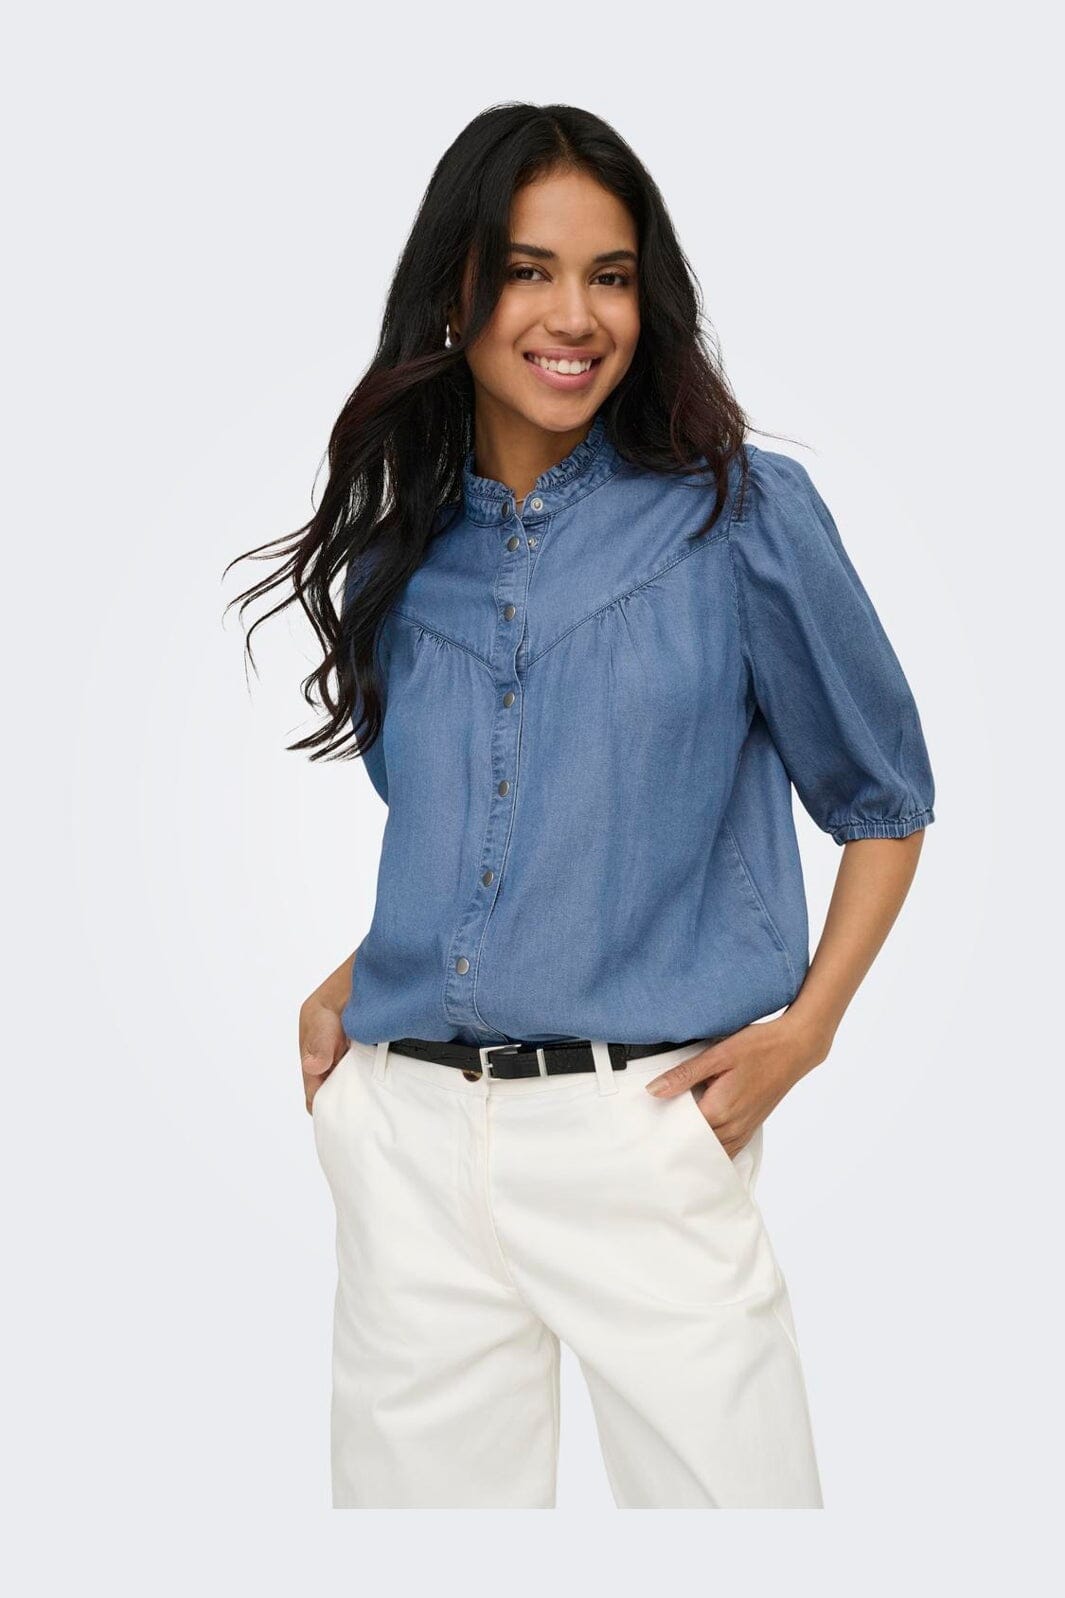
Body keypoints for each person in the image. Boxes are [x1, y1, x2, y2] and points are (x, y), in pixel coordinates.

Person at [227, 103, 935, 1509]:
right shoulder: (401, 550)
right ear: (456, 295)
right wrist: (358, 975)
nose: (574, 315)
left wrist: (806, 1032)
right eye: (528, 270)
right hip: (408, 1141)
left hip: (644, 1132)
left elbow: (882, 801)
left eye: (609, 275)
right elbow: (471, 834)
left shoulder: (740, 513)